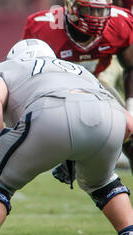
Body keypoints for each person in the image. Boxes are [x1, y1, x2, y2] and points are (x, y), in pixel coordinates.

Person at [0, 39, 133, 235]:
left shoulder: (5, 68)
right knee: (104, 183)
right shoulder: (78, 71)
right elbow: (128, 124)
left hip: (49, 111)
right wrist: (83, 154)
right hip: (108, 116)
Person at [22, 0, 133, 172]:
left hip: (96, 84)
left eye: (100, 12)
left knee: (130, 133)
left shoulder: (120, 22)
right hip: (54, 88)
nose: (96, 18)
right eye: (89, 10)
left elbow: (131, 67)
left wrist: (131, 107)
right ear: (71, 7)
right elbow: (29, 75)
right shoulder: (44, 26)